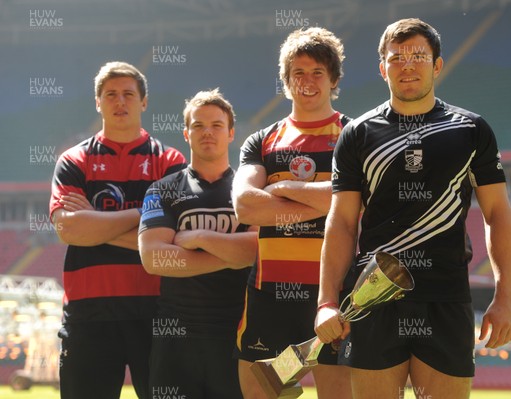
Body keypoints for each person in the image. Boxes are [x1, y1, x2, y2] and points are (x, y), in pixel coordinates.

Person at [314, 18, 511, 399]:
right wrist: (327, 302)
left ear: (437, 65)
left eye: (418, 56)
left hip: (446, 296)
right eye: (396, 58)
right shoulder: (357, 134)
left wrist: (505, 298)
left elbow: (498, 215)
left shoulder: (472, 129)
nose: (407, 65)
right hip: (372, 298)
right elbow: (341, 222)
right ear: (382, 68)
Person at [49, 61, 187, 399]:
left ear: (144, 102)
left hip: (158, 310)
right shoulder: (73, 161)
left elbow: (175, 239)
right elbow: (70, 230)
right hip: (88, 312)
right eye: (110, 94)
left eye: (128, 94)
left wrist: (95, 222)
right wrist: (145, 216)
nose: (119, 101)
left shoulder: (170, 162)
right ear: (98, 102)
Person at [232, 27, 352, 398]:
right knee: (260, 393)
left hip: (335, 294)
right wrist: (326, 197)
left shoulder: (354, 135)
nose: (308, 81)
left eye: (318, 72)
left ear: (333, 79)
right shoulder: (263, 140)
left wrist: (283, 189)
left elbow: (356, 205)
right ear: (286, 81)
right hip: (269, 295)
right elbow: (245, 206)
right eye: (298, 73)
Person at [138, 89, 257, 398]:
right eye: (198, 125)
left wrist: (199, 238)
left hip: (237, 331)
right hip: (175, 336)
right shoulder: (162, 189)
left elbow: (260, 250)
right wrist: (232, 253)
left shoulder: (250, 190)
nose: (207, 132)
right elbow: (154, 259)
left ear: (231, 133)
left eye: (217, 125)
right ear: (186, 133)